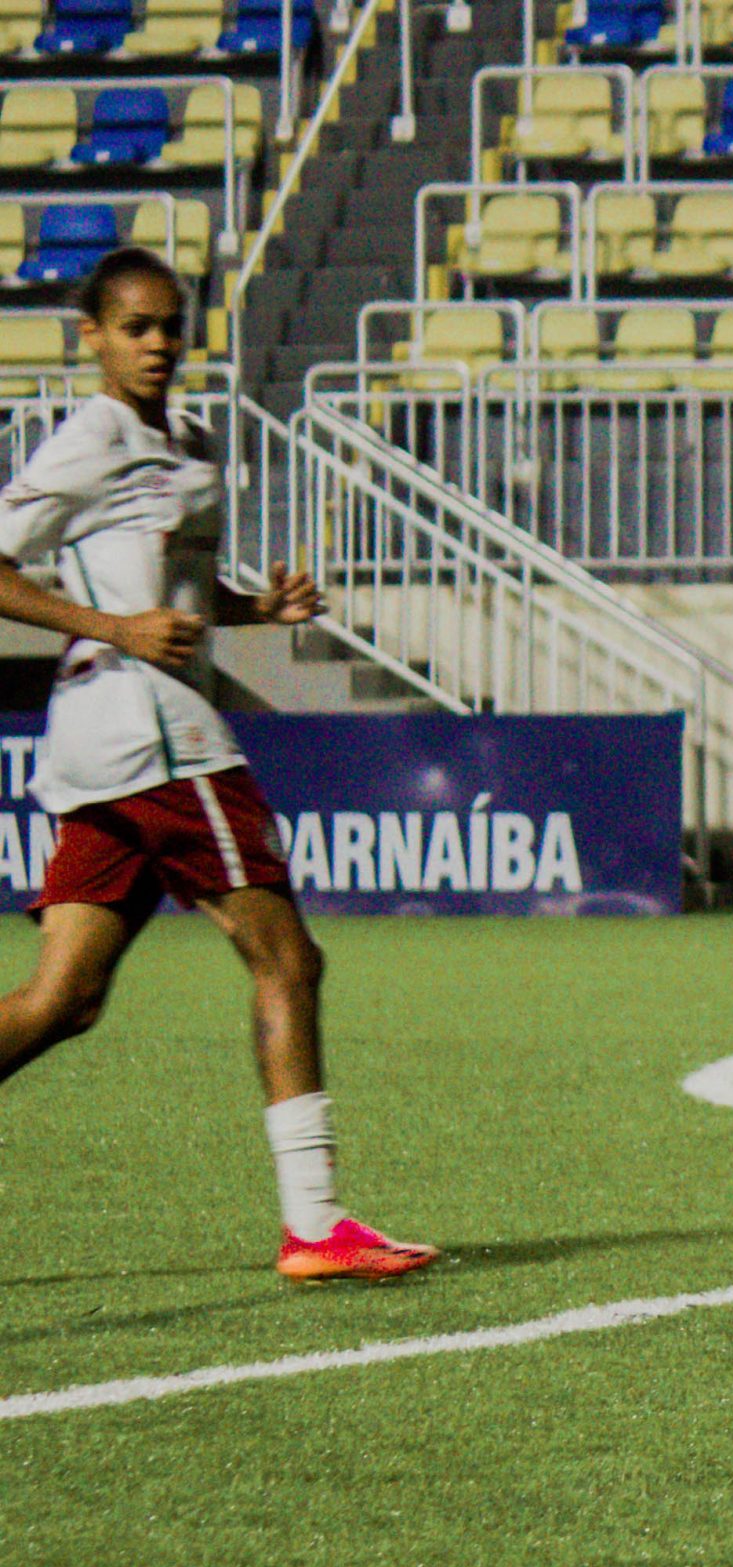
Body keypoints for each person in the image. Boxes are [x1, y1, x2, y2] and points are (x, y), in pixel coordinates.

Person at [0, 247, 439, 1283]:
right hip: (158, 737)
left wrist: (254, 609)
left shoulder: (187, 437)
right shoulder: (90, 437)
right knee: (288, 962)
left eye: (170, 325)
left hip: (112, 745)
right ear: (92, 337)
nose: (156, 344)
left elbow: (175, 590)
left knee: (66, 999)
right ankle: (317, 1224)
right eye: (135, 327)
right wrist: (107, 622)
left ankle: (318, 1225)